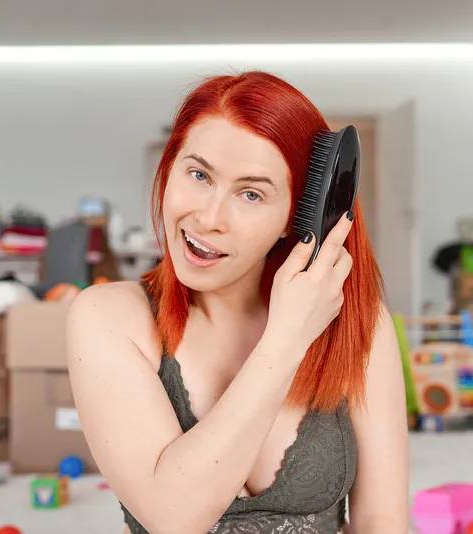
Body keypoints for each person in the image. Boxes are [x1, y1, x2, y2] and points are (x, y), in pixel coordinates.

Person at [66, 71, 409, 534]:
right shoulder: (107, 317)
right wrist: (287, 337)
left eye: (251, 194)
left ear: (299, 216)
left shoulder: (361, 326)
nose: (209, 218)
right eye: (198, 174)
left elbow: (380, 520)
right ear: (168, 170)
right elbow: (174, 518)